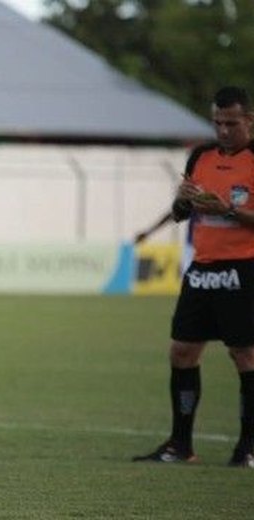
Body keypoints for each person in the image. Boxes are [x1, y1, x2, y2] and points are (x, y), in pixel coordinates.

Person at [133, 86, 254, 467]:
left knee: (245, 355)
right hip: (203, 269)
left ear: (249, 120)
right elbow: (183, 212)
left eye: (230, 123)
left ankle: (248, 447)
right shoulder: (200, 155)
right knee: (182, 352)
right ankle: (180, 445)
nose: (222, 130)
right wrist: (184, 200)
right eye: (217, 122)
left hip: (244, 267)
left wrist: (229, 211)